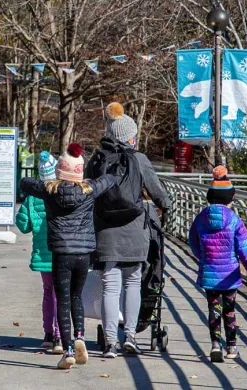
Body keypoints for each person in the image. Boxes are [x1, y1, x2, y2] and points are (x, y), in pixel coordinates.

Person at [20, 143, 116, 370]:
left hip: (61, 255)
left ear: (60, 170)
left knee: (62, 299)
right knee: (76, 297)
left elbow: (25, 183)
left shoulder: (49, 190)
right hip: (83, 255)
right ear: (79, 170)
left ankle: (68, 350)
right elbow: (109, 179)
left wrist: (48, 182)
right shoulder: (89, 189)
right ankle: (80, 335)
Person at [85, 102, 168, 358]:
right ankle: (129, 335)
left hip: (105, 231)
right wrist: (164, 214)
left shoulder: (96, 159)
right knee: (133, 282)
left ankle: (110, 341)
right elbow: (159, 195)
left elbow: (87, 193)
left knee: (110, 286)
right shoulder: (139, 159)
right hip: (135, 230)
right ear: (130, 136)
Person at [188, 166, 247, 363]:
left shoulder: (202, 217)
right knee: (229, 310)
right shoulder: (234, 220)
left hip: (209, 271)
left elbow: (192, 239)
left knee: (213, 309)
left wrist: (201, 255)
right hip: (229, 275)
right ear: (230, 199)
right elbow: (244, 245)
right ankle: (232, 347)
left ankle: (214, 344)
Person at [15, 151, 62, 354]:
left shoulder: (32, 198)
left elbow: (23, 225)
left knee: (47, 292)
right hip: (62, 252)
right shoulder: (63, 193)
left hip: (43, 254)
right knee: (62, 295)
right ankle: (61, 335)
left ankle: (48, 334)